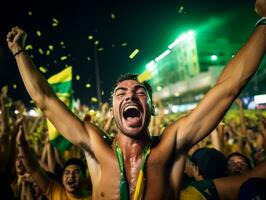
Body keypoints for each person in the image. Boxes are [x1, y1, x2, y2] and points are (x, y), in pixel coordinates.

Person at [6, 0, 266, 199]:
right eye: (121, 93)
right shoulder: (96, 147)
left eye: (140, 92)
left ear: (151, 108)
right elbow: (45, 100)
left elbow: (227, 89)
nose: (130, 94)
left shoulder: (171, 146)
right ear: (113, 109)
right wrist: (19, 52)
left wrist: (264, 23)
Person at [16, 124, 91, 200]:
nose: (71, 176)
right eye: (67, 173)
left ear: (85, 177)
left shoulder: (94, 196)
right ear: (62, 178)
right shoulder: (56, 193)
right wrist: (21, 143)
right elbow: (34, 169)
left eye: (76, 172)